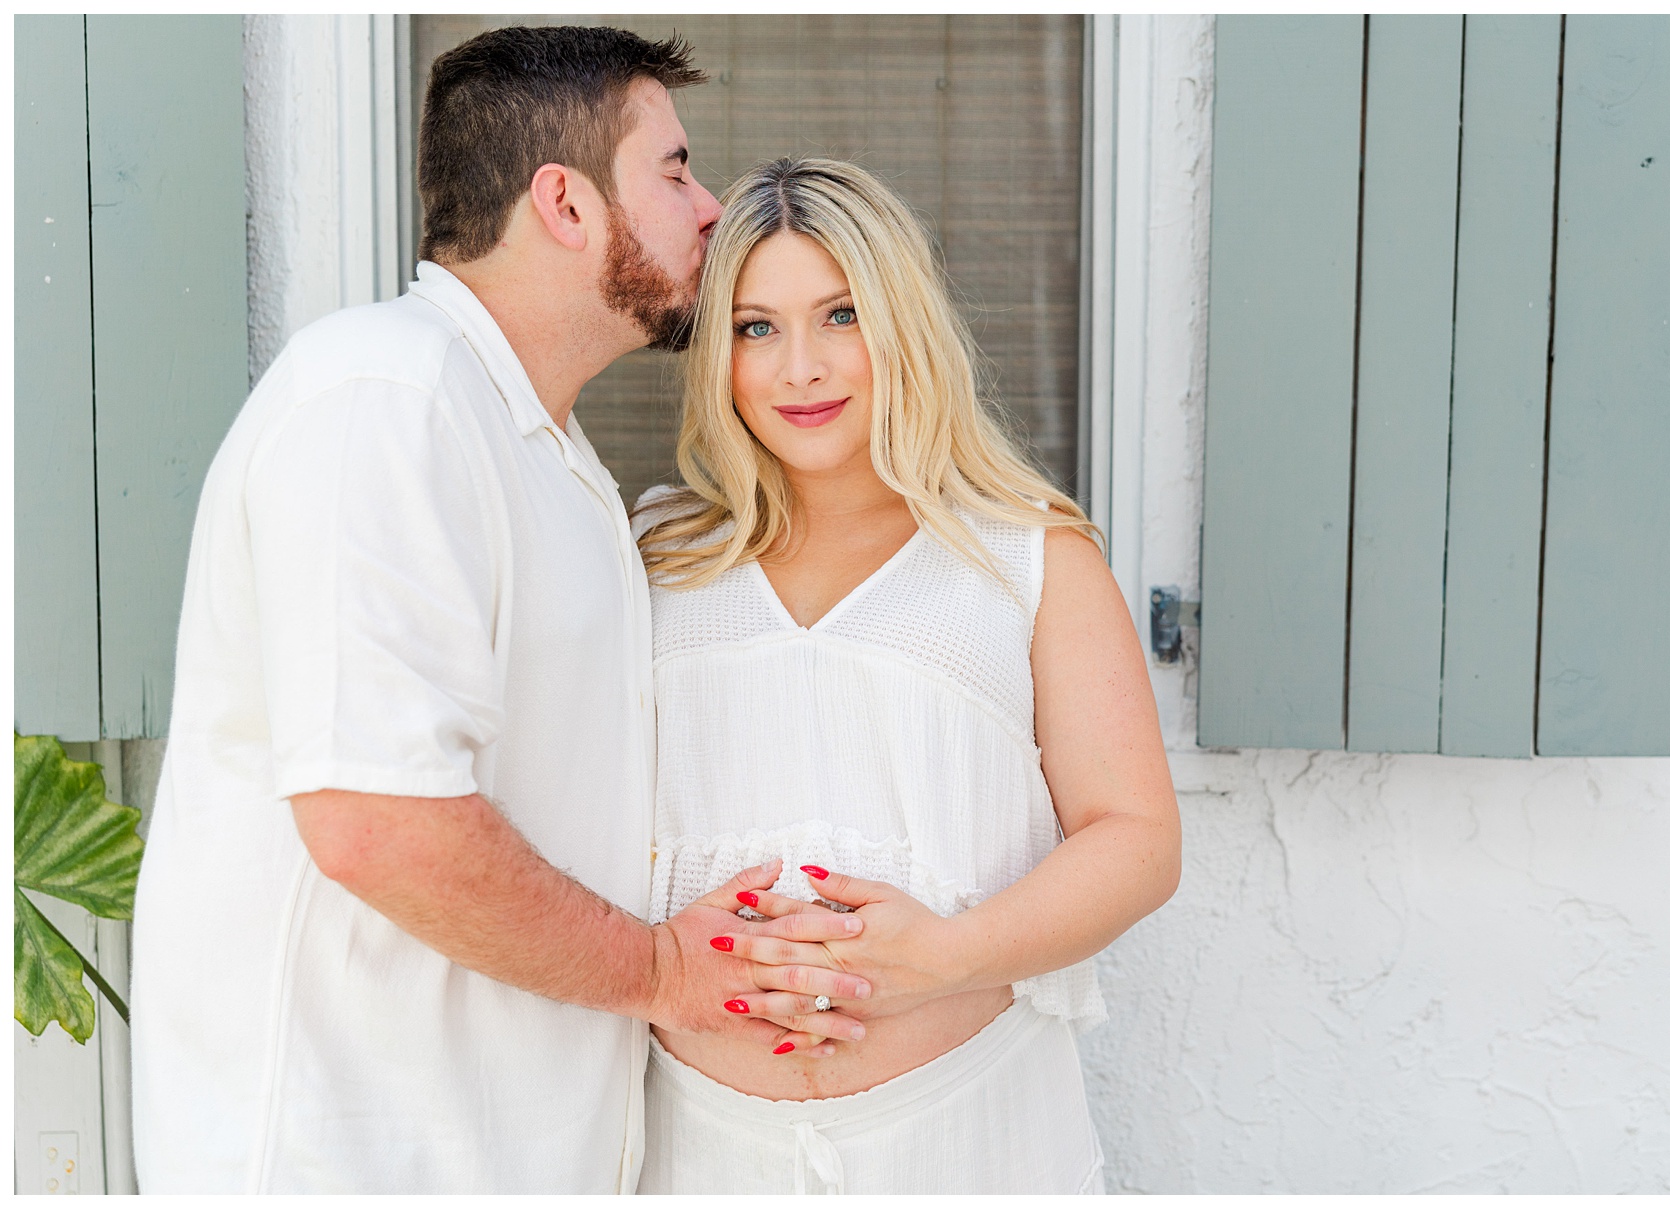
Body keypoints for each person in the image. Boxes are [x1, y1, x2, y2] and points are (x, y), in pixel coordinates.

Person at [129, 28, 867, 1194]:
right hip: (359, 1162)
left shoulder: (545, 456)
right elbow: (378, 823)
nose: (711, 206)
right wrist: (670, 973)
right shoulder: (383, 397)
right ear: (566, 204)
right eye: (672, 171)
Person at [631, 157, 1183, 1194]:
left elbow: (1138, 840)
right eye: (756, 327)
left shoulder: (1027, 556)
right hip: (694, 1146)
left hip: (968, 1138)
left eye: (840, 314)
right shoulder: (653, 554)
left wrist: (940, 957)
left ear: (902, 320)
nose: (801, 367)